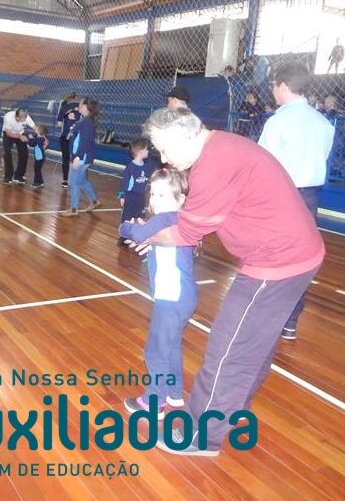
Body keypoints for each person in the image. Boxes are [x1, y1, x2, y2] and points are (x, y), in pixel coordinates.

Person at [124, 108, 324, 456]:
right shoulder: (220, 148)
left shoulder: (214, 163)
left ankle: (201, 434)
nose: (164, 159)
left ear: (185, 136)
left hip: (277, 262)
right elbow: (188, 222)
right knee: (253, 345)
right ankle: (227, 411)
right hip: (294, 253)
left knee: (228, 349)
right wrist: (156, 237)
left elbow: (186, 232)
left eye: (165, 149)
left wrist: (145, 235)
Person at [258, 62, 335, 340]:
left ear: (283, 86)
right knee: (300, 258)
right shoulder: (323, 123)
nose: (272, 91)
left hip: (281, 195)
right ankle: (290, 320)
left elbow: (263, 164)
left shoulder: (278, 122)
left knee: (272, 256)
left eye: (273, 85)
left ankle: (268, 317)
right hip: (309, 197)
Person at [120, 169, 197, 418]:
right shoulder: (178, 221)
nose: (155, 200)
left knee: (155, 350)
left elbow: (135, 233)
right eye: (153, 194)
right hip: (181, 296)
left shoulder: (165, 219)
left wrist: (127, 226)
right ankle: (174, 392)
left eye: (163, 195)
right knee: (171, 344)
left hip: (171, 297)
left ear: (180, 199)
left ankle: (155, 402)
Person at [62, 97, 102, 217]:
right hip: (79, 156)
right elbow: (73, 135)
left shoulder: (87, 122)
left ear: (85, 107)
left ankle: (74, 209)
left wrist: (77, 157)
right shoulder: (83, 120)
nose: (78, 105)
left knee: (74, 182)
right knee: (82, 181)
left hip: (82, 157)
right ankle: (94, 201)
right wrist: (71, 122)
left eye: (80, 104)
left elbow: (85, 142)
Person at [117, 138, 158, 243]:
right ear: (140, 152)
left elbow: (154, 165)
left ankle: (138, 236)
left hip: (140, 196)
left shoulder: (147, 166)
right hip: (130, 196)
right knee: (127, 217)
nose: (148, 151)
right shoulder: (130, 167)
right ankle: (123, 236)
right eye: (146, 149)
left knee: (139, 217)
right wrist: (121, 196)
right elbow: (124, 183)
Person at [2, 108, 35, 184]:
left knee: (24, 154)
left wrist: (43, 137)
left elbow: (35, 128)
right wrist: (19, 137)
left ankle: (19, 176)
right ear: (17, 117)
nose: (24, 121)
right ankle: (8, 176)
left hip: (20, 133)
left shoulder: (27, 117)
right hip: (9, 134)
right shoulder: (8, 117)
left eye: (25, 119)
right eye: (22, 120)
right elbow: (8, 133)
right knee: (7, 154)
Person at [56, 93, 80, 187]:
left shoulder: (63, 107)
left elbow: (59, 124)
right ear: (76, 98)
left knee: (65, 158)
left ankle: (65, 180)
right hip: (76, 137)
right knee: (76, 158)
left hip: (65, 136)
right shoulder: (81, 107)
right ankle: (76, 179)